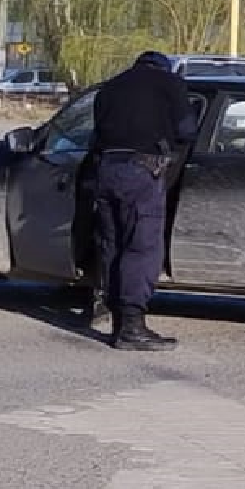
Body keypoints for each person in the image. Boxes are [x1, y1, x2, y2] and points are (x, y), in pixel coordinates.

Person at [87, 50, 196, 350]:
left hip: (105, 171)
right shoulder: (170, 84)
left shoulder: (109, 87)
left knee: (113, 245)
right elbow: (187, 130)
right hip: (141, 173)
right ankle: (132, 328)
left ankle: (117, 322)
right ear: (163, 67)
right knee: (141, 246)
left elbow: (95, 137)